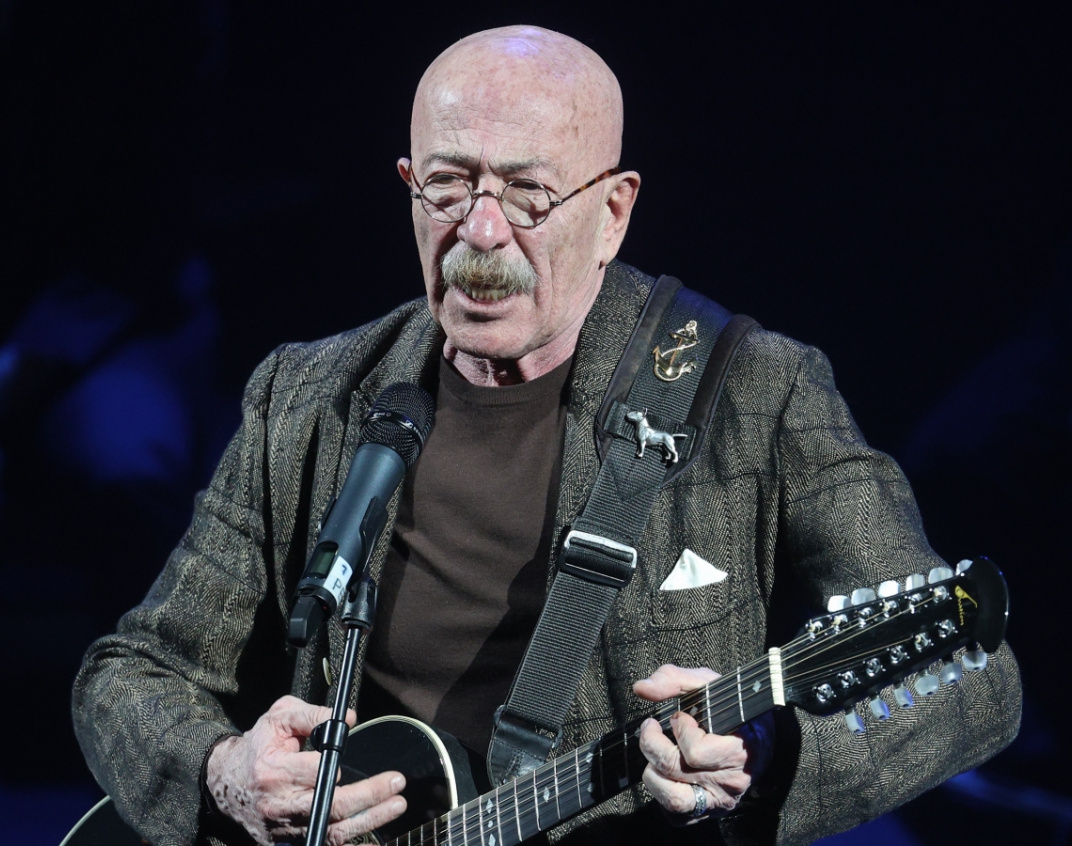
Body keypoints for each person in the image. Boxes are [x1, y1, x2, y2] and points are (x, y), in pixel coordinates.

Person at [73, 25, 1021, 846]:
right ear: (408, 188)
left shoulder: (758, 395)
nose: (482, 232)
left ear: (613, 213)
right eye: (448, 186)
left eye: (528, 194)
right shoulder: (309, 397)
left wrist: (771, 756)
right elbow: (130, 674)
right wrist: (222, 770)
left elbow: (975, 684)